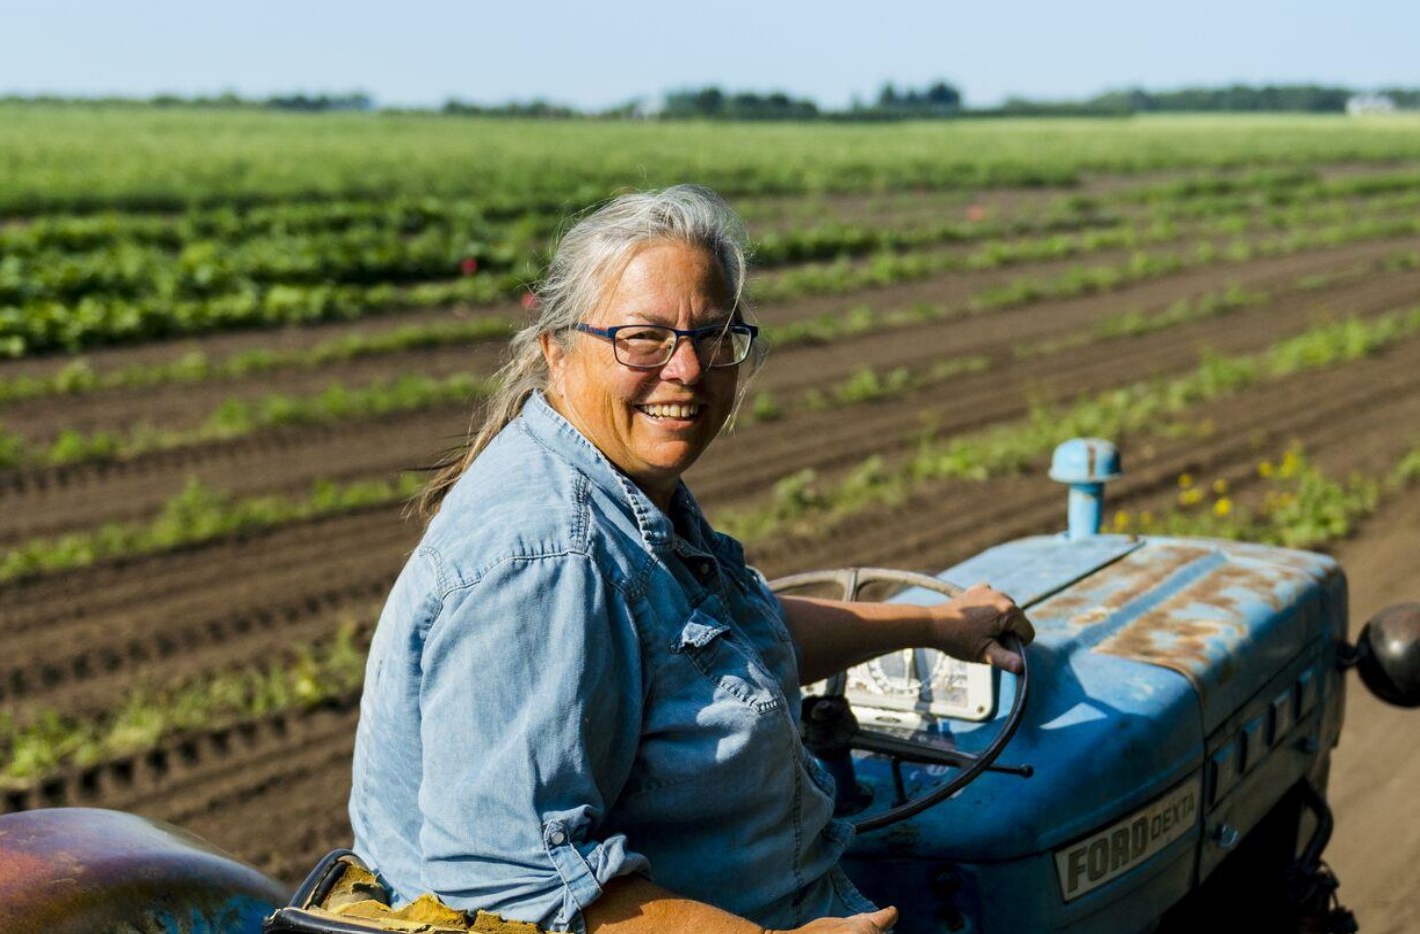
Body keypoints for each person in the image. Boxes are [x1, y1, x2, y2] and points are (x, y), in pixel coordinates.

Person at [349, 185, 1033, 934]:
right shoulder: (550, 558)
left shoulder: (620, 487)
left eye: (713, 336)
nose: (686, 369)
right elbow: (507, 881)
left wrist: (932, 623)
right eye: (642, 337)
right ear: (556, 347)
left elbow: (728, 641)